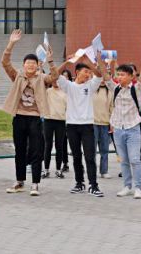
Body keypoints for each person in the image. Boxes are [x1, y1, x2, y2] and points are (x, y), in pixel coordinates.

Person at [1, 29, 58, 196]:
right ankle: (19, 181)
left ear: (36, 65)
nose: (30, 65)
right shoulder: (17, 76)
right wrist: (11, 43)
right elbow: (5, 63)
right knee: (19, 150)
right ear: (24, 65)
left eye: (33, 63)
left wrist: (51, 61)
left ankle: (35, 184)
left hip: (35, 119)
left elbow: (54, 77)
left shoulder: (42, 78)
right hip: (18, 117)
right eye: (28, 63)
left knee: (36, 151)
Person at [54, 50, 110, 198]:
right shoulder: (68, 86)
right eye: (85, 72)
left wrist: (89, 62)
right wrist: (67, 62)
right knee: (76, 156)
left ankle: (93, 185)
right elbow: (55, 74)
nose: (88, 74)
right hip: (72, 126)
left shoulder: (90, 86)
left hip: (87, 126)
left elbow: (99, 75)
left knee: (90, 156)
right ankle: (80, 183)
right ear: (77, 72)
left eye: (88, 72)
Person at [110, 62, 141, 199]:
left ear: (131, 76)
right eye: (118, 74)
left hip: (133, 128)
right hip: (118, 128)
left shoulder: (136, 89)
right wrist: (99, 58)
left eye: (123, 75)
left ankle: (138, 188)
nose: (119, 77)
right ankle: (127, 186)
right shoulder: (115, 88)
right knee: (123, 160)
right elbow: (106, 77)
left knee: (135, 159)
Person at [43, 73, 69, 179]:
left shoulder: (65, 93)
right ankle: (46, 170)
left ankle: (58, 170)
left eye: (57, 80)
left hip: (61, 122)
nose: (55, 82)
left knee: (59, 146)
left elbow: (68, 107)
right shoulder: (47, 92)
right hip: (48, 120)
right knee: (47, 145)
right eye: (53, 80)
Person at [93, 61, 115, 179]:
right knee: (92, 149)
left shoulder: (111, 91)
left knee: (104, 149)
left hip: (105, 124)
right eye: (99, 75)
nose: (102, 79)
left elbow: (112, 108)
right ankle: (92, 170)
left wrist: (112, 123)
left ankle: (104, 170)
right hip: (92, 123)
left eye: (105, 76)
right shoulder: (91, 89)